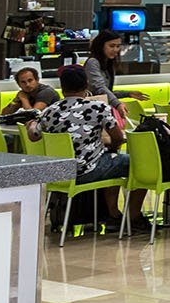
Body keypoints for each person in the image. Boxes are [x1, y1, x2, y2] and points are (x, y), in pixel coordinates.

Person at [31, 67, 138, 225]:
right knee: (135, 163)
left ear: (62, 86)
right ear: (86, 85)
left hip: (59, 171)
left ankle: (113, 214)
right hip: (86, 170)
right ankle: (131, 217)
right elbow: (118, 137)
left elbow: (34, 136)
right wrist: (111, 148)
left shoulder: (50, 111)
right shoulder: (98, 108)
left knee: (113, 164)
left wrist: (32, 124)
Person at [84, 29, 145, 108]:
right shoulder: (93, 62)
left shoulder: (108, 63)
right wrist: (118, 104)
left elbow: (106, 92)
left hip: (100, 108)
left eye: (118, 46)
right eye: (111, 46)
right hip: (92, 110)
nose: (115, 50)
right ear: (101, 45)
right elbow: (99, 88)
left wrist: (128, 94)